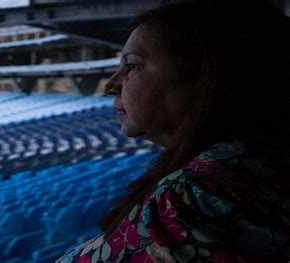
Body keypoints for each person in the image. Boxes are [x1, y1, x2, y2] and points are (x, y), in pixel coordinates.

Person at [57, 0, 290, 262]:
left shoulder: (196, 196)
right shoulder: (260, 163)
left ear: (207, 76)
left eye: (132, 66)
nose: (111, 85)